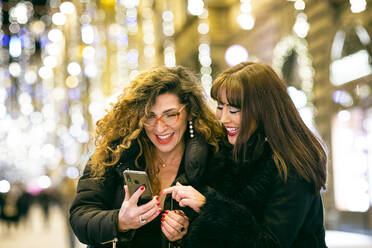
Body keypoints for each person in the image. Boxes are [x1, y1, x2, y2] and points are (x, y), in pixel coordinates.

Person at [161, 62, 328, 248]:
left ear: (262, 109)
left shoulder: (292, 165)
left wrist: (209, 206)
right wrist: (186, 228)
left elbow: (270, 243)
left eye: (233, 110)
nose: (223, 118)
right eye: (220, 106)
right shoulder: (226, 154)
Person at [69, 65, 227, 248]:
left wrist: (189, 232)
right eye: (150, 116)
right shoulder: (115, 154)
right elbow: (80, 216)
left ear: (190, 112)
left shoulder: (215, 156)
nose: (160, 127)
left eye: (170, 115)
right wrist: (120, 221)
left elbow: (234, 228)